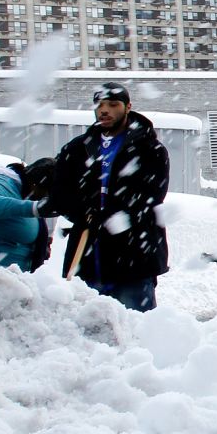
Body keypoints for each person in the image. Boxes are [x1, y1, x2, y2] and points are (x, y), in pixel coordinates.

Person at [49, 82, 171, 311]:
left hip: (134, 253)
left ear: (127, 107)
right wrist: (84, 213)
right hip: (88, 254)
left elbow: (152, 195)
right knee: (88, 328)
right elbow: (60, 193)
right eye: (100, 105)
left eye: (113, 105)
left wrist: (113, 215)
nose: (104, 110)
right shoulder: (77, 149)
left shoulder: (149, 149)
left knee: (135, 327)